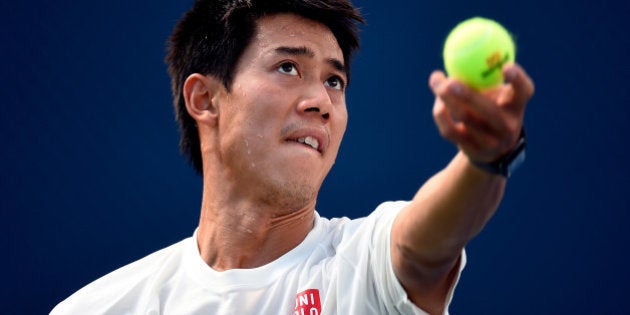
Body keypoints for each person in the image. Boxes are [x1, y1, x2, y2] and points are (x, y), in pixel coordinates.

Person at [51, 0, 534, 314]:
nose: (321, 101)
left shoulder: (362, 266)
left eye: (334, 81)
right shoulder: (99, 307)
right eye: (288, 67)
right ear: (205, 100)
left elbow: (420, 247)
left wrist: (487, 159)